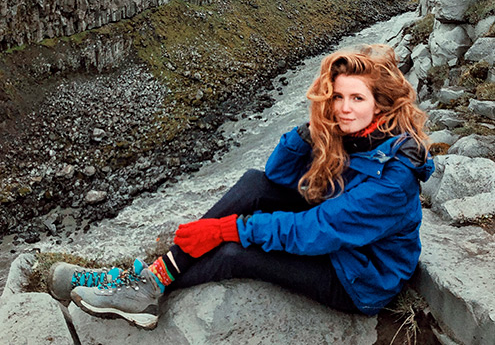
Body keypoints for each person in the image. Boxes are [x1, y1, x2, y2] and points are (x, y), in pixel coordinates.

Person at [47, 43, 434, 330]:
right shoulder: (355, 135)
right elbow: (276, 175)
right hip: (345, 245)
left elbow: (317, 231)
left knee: (235, 252)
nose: (343, 108)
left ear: (381, 105)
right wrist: (310, 130)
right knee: (253, 184)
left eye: (356, 98)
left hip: (358, 277)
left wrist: (227, 228)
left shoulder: (394, 177)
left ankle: (144, 284)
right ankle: (150, 280)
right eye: (336, 97)